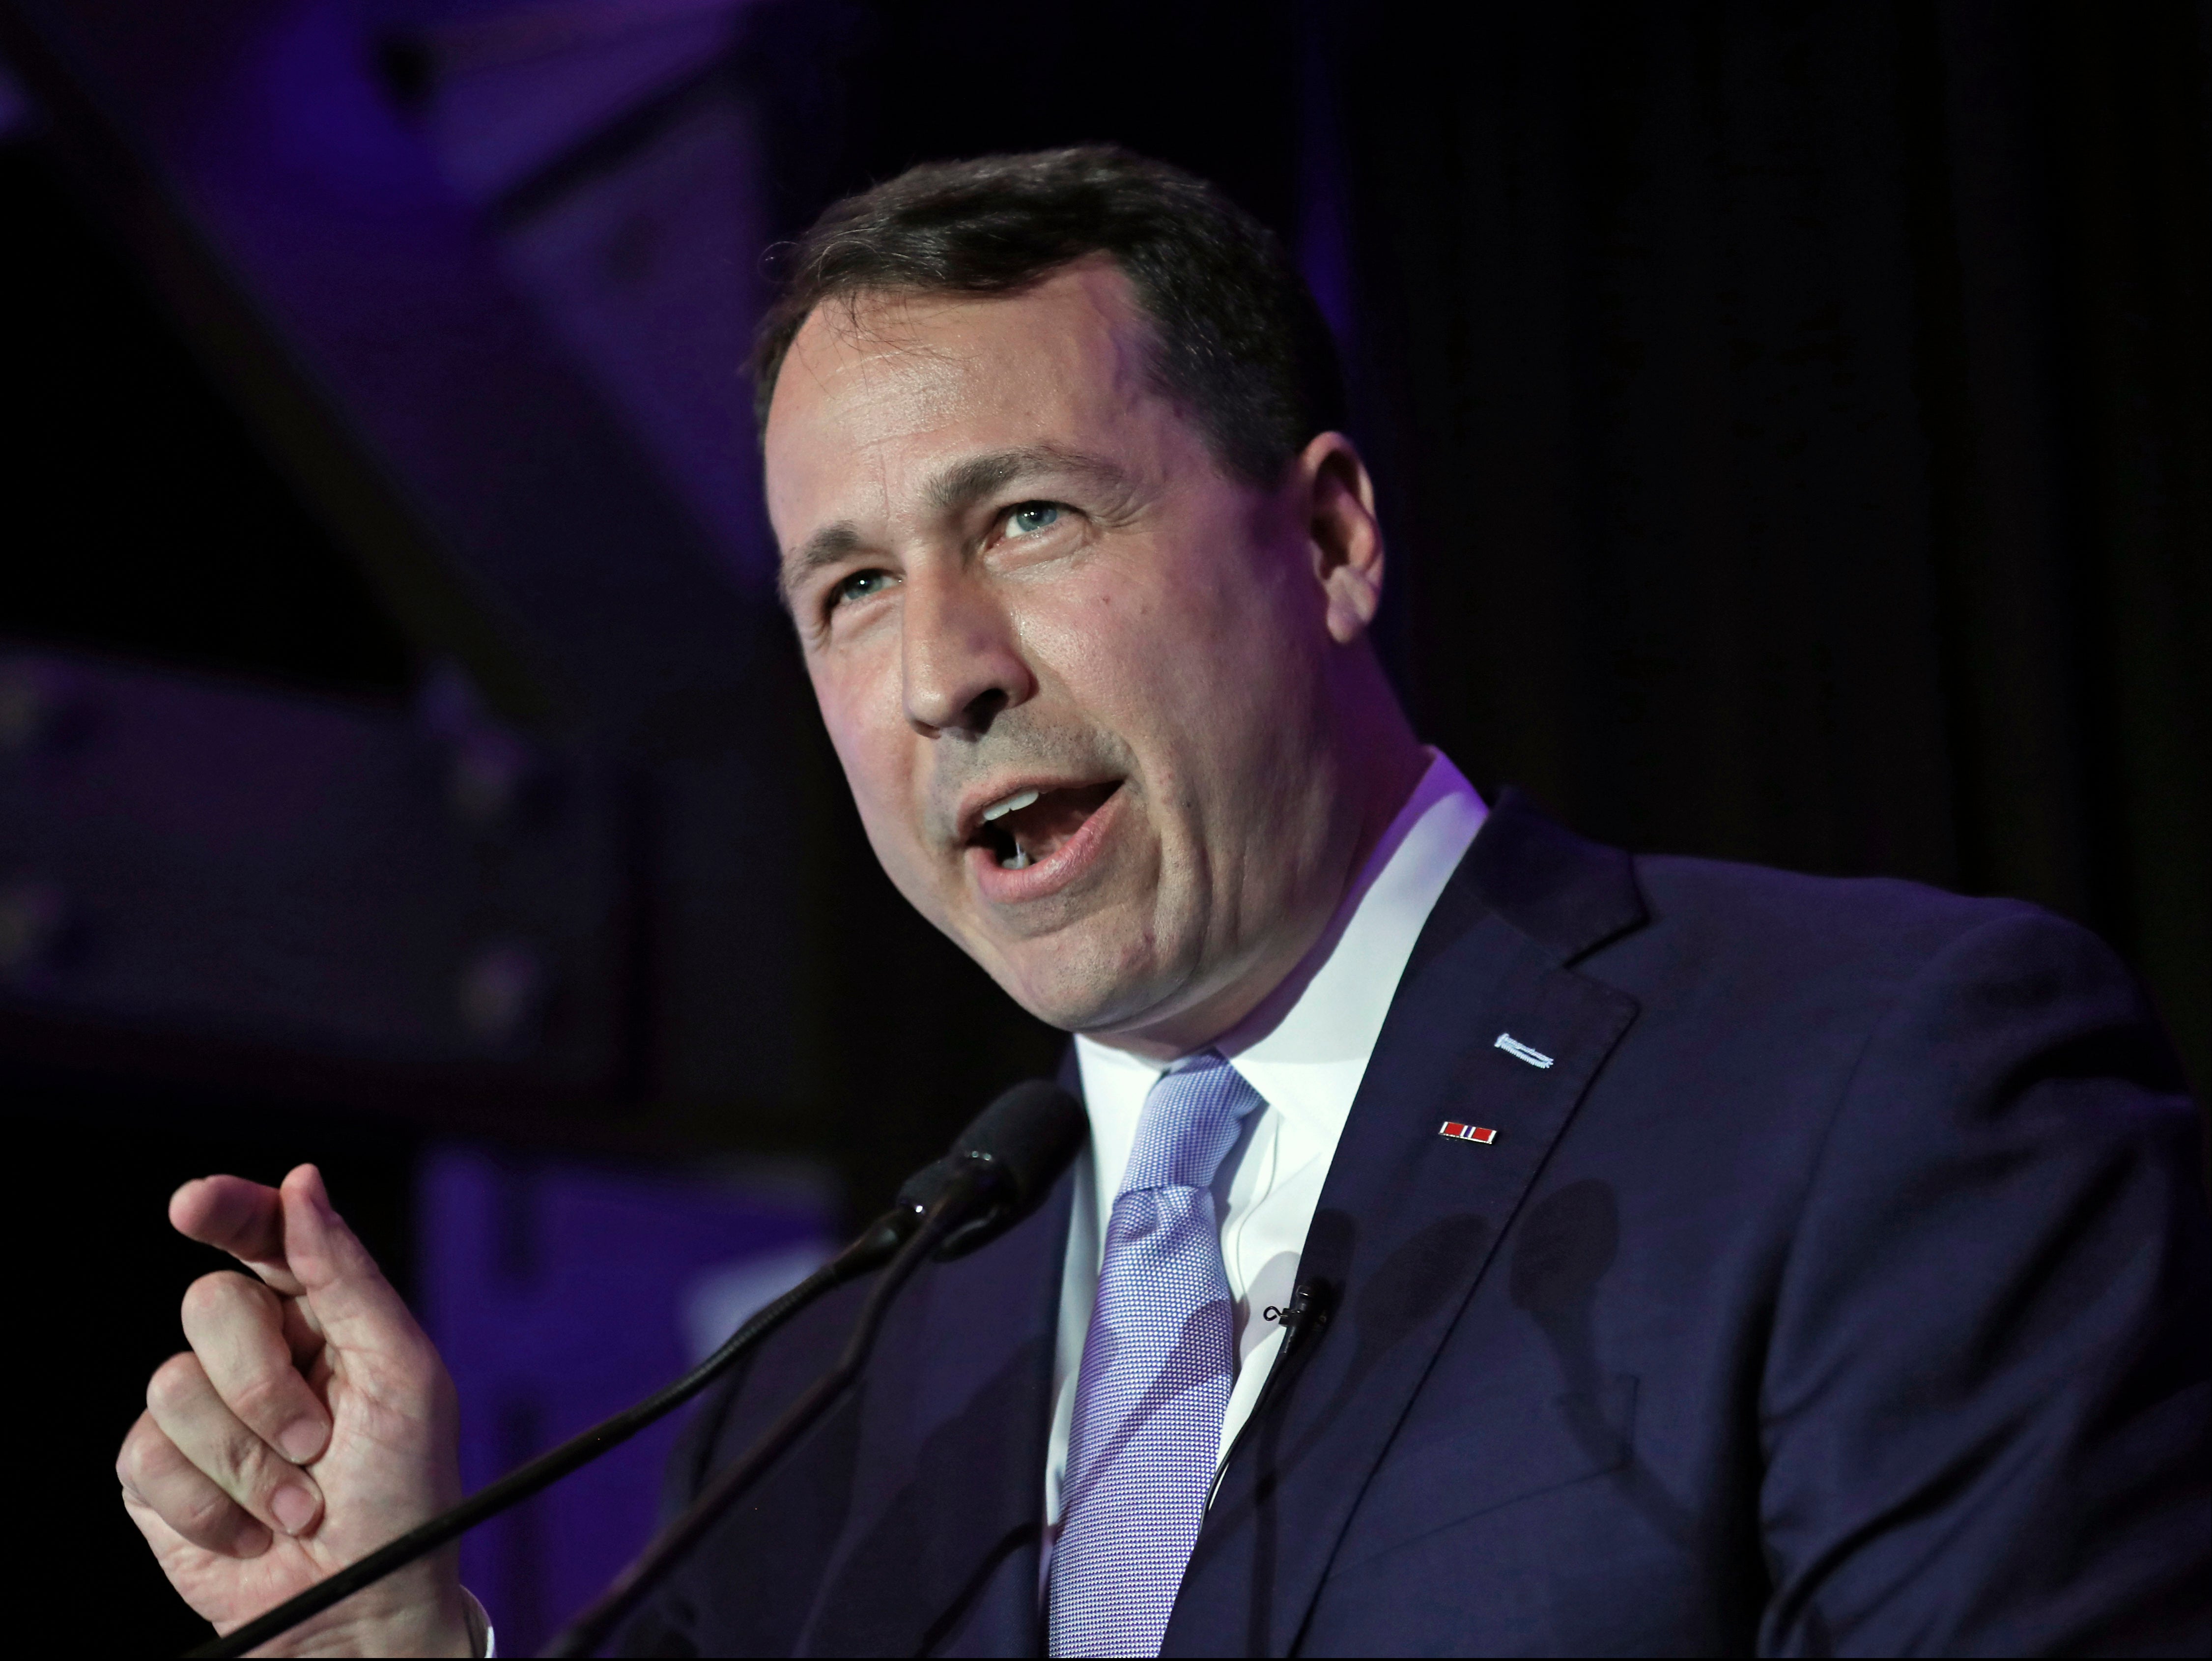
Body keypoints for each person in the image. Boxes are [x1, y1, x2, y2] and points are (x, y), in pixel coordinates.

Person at [116, 147, 2209, 1658]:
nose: (942, 667)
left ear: (1326, 535)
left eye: (1024, 516)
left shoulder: (1874, 1085)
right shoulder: (825, 1393)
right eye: (848, 588)